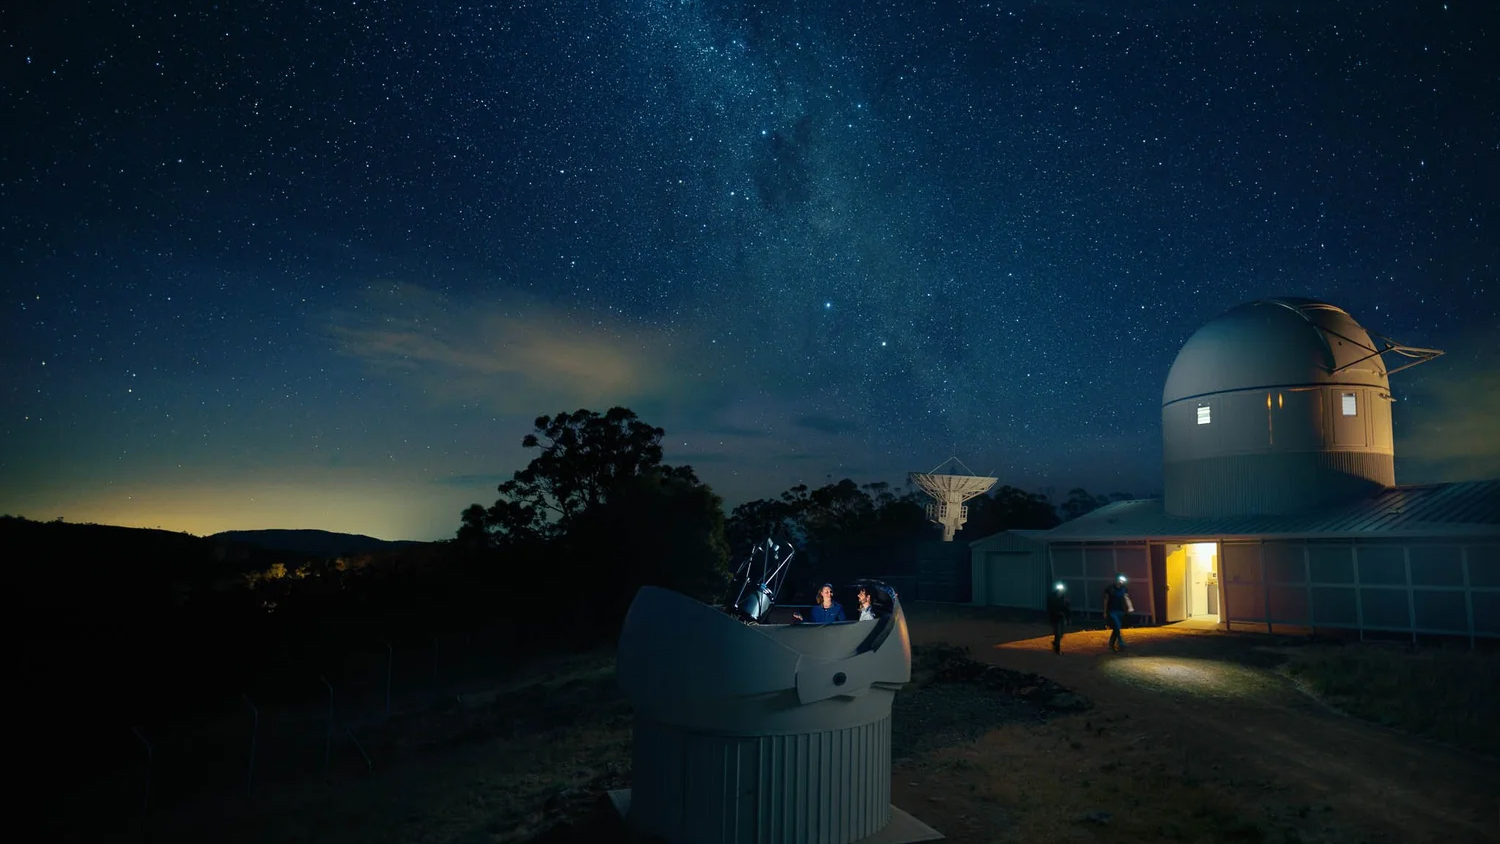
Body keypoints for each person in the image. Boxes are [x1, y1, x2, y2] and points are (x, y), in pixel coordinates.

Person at [1102, 573, 1132, 652]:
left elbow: (1126, 598)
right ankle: (1121, 642)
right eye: (1120, 580)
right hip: (1112, 611)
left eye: (1123, 580)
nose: (1122, 582)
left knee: (1116, 628)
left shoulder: (1124, 589)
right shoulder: (1110, 589)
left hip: (1120, 611)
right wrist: (1105, 612)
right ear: (1117, 580)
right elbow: (1106, 600)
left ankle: (1111, 644)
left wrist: (1130, 607)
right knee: (1116, 625)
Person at [1046, 581, 1071, 653]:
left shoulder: (1063, 599)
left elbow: (1066, 609)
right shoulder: (1052, 598)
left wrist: (1068, 618)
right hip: (1055, 618)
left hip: (1061, 618)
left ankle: (1055, 643)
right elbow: (1050, 608)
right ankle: (1057, 649)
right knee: (1058, 634)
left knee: (1061, 634)